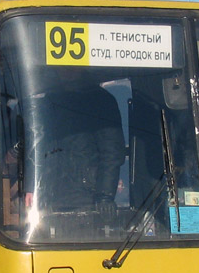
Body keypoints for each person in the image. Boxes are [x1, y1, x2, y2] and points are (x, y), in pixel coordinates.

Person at [23, 69, 125, 215]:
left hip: (88, 197)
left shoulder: (101, 101)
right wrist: (32, 186)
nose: (67, 70)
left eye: (73, 66)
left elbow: (112, 153)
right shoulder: (49, 99)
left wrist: (104, 196)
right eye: (62, 66)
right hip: (50, 195)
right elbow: (39, 144)